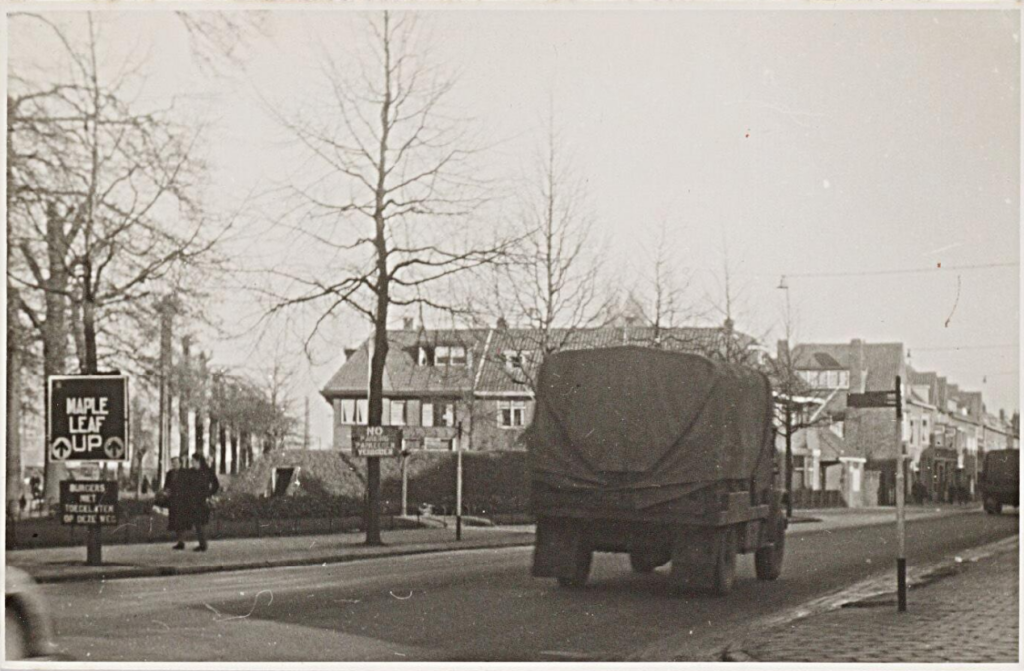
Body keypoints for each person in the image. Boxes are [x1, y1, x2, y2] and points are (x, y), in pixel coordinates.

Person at [176, 454, 220, 552]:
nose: (192, 463)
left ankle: (203, 544)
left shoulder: (208, 471)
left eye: (193, 461)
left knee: (201, 522)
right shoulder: (191, 472)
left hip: (203, 500)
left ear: (199, 461)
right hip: (193, 501)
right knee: (197, 523)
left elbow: (216, 484)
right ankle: (202, 544)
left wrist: (209, 493)